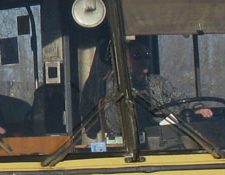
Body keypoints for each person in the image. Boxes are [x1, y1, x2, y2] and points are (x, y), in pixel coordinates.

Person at [81, 40, 212, 137]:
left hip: (167, 140)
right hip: (135, 146)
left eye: (147, 56)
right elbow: (115, 126)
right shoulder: (114, 87)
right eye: (137, 57)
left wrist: (197, 107)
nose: (144, 60)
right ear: (123, 61)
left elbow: (182, 100)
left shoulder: (158, 83)